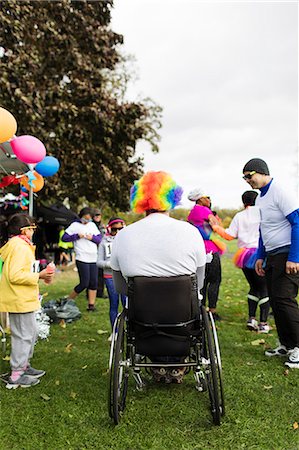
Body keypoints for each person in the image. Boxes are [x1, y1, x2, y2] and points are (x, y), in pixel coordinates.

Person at [110, 171, 206, 383]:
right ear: (172, 199)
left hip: (142, 318)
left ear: (140, 200)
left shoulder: (124, 235)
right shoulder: (189, 232)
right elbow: (199, 281)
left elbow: (120, 286)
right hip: (184, 317)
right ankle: (177, 363)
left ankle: (157, 363)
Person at [243, 158, 299, 369]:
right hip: (272, 256)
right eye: (244, 178)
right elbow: (263, 230)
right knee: (275, 301)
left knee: (285, 300)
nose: (247, 180)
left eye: (250, 175)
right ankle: (287, 344)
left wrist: (295, 257)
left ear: (262, 172)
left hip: (288, 254)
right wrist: (260, 255)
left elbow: (297, 222)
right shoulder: (260, 199)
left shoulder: (280, 190)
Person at [0, 214, 54, 389]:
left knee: (29, 333)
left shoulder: (20, 245)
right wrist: (40, 275)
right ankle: (16, 374)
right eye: (33, 228)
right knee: (23, 335)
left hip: (22, 298)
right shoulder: (19, 247)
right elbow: (15, 275)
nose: (34, 231)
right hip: (19, 298)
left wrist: (39, 275)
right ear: (24, 229)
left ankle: (24, 365)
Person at [212, 191, 270, 332]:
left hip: (244, 255)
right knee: (264, 288)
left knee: (253, 287)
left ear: (243, 201)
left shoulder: (239, 216)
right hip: (260, 254)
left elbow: (230, 235)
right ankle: (263, 324)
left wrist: (216, 227)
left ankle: (251, 319)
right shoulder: (263, 213)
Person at [187, 189, 226, 321]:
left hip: (197, 249)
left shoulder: (192, 212)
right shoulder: (203, 210)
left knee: (201, 280)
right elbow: (215, 225)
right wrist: (215, 220)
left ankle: (201, 309)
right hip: (209, 249)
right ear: (200, 199)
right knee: (214, 280)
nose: (209, 200)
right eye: (206, 197)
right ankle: (212, 311)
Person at [62, 207, 102, 311]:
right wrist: (76, 236)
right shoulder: (74, 225)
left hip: (93, 257)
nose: (86, 221)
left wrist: (91, 238)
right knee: (84, 283)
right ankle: (68, 300)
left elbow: (99, 239)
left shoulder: (92, 225)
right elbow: (64, 238)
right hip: (81, 257)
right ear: (81, 217)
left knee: (93, 282)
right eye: (85, 218)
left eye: (88, 219)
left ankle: (91, 305)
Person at [97, 217, 126, 340]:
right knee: (114, 304)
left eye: (121, 229)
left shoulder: (128, 241)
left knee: (127, 305)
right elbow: (98, 262)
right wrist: (110, 264)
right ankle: (114, 332)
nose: (118, 232)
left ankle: (129, 330)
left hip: (125, 276)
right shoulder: (104, 242)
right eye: (115, 229)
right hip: (110, 276)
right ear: (109, 229)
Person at [92, 208, 106, 298]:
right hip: (92, 253)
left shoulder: (103, 227)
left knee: (101, 274)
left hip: (101, 252)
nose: (97, 217)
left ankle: (100, 293)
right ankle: (91, 292)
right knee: (92, 275)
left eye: (99, 215)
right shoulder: (90, 226)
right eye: (96, 215)